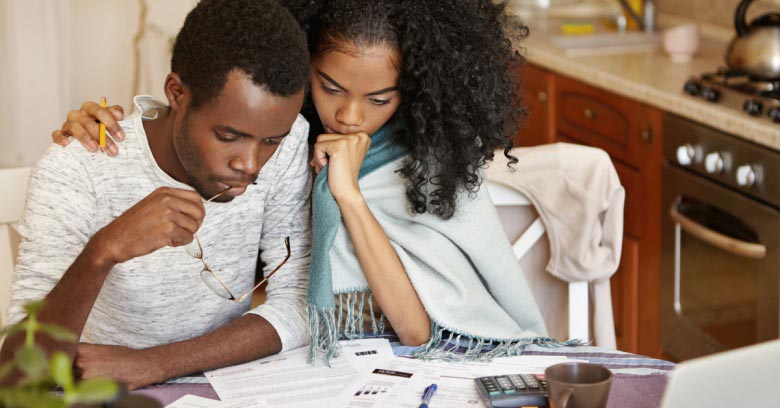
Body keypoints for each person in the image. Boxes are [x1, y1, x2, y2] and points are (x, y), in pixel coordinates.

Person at [53, 0, 569, 365]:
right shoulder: (277, 140)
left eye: (379, 99)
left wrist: (348, 195)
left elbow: (415, 330)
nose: (349, 116)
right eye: (330, 86)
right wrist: (104, 124)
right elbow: (204, 111)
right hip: (271, 358)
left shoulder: (423, 165)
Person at [3, 0, 312, 389]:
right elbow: (16, 374)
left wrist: (157, 363)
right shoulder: (81, 166)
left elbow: (301, 304)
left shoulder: (288, 137)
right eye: (228, 136)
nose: (251, 164)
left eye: (270, 141)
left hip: (220, 386)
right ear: (177, 93)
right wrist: (103, 252)